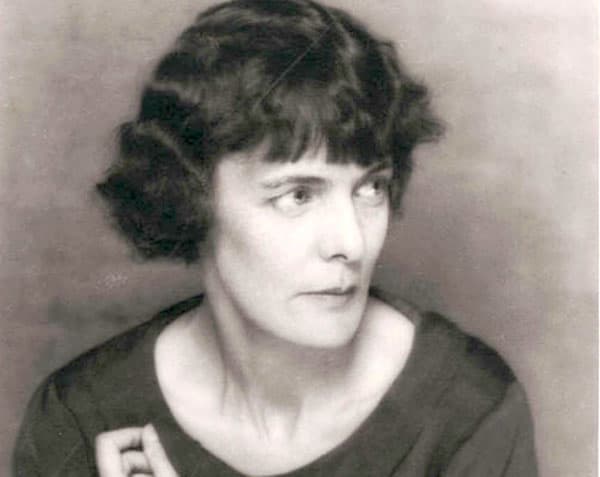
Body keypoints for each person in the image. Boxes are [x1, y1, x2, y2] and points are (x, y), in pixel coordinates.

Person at [13, 0, 538, 475]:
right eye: (298, 195)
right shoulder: (82, 418)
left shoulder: (468, 412)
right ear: (190, 195)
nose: (351, 244)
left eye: (371, 188)